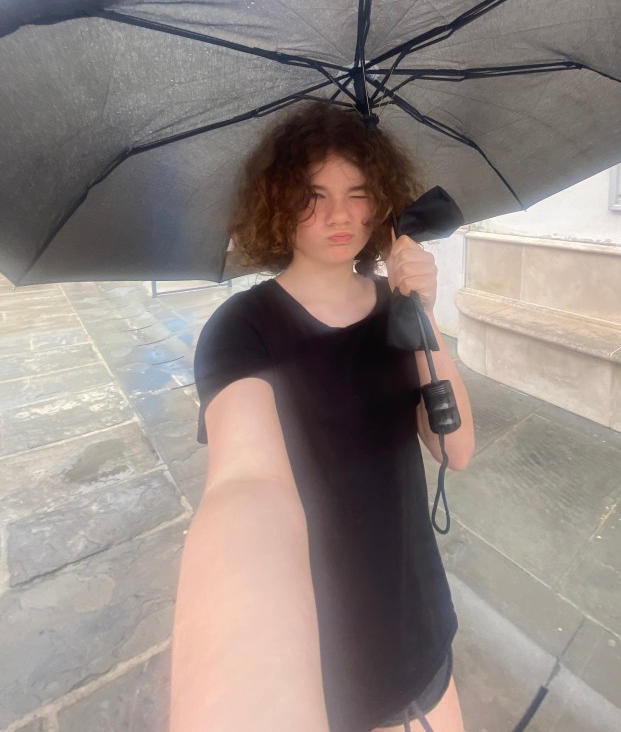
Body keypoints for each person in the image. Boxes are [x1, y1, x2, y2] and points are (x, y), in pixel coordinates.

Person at [169, 101, 475, 732]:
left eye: (359, 194)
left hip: (415, 618)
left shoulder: (398, 309)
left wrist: (422, 313)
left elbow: (456, 449)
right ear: (279, 205)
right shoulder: (242, 329)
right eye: (314, 196)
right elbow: (244, 483)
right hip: (318, 648)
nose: (341, 216)